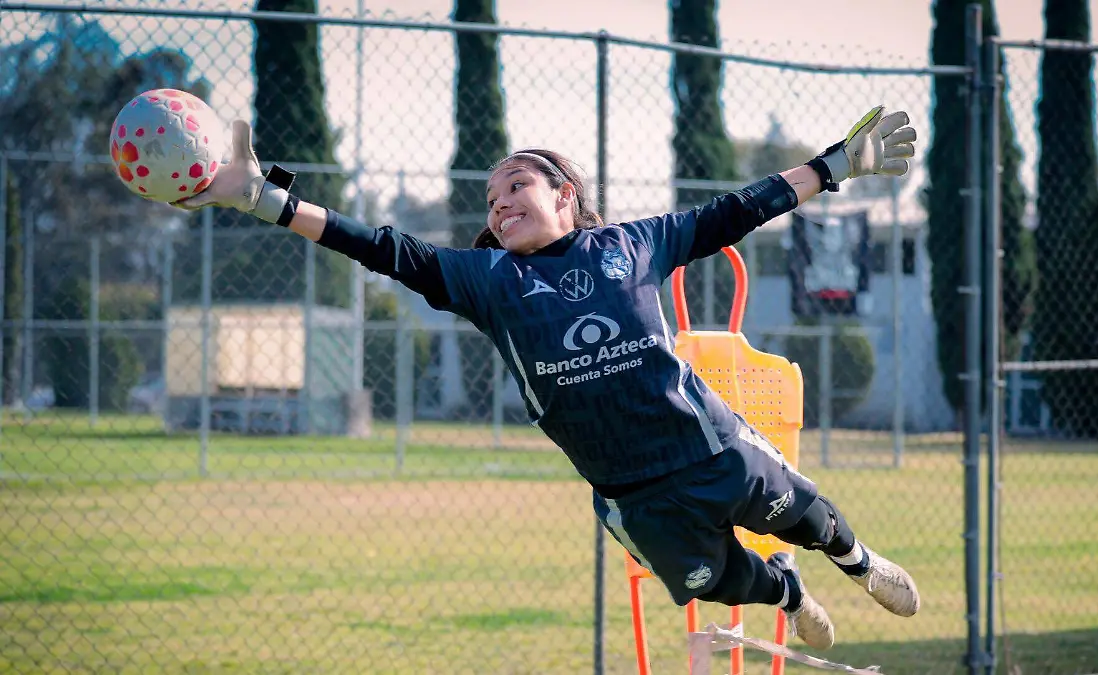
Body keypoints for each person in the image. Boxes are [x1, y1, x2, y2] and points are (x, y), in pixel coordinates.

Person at [175, 105, 920, 650]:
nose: (499, 205)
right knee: (716, 582)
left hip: (713, 450)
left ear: (566, 193)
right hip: (636, 495)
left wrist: (836, 165)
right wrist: (267, 199)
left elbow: (737, 211)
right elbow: (380, 247)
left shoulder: (632, 245)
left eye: (516, 187)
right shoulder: (488, 280)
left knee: (811, 519)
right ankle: (787, 592)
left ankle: (860, 564)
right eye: (490, 200)